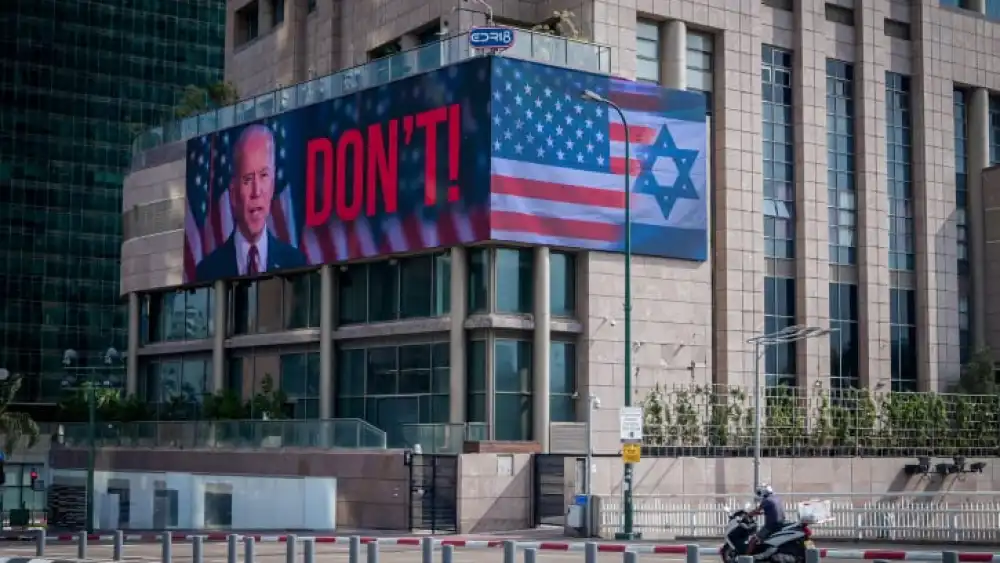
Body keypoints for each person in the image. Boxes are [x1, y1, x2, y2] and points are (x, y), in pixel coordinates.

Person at [195, 124, 307, 282]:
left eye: (264, 175)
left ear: (273, 184)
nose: (256, 191)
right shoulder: (207, 271)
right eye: (248, 179)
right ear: (233, 194)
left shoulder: (296, 264)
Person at [746, 483, 785, 553]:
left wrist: (747, 515)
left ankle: (745, 558)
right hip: (781, 523)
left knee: (753, 540)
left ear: (763, 492)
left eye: (759, 492)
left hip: (771, 526)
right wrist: (762, 513)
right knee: (762, 540)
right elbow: (773, 510)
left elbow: (757, 510)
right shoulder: (777, 498)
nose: (759, 494)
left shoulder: (766, 500)